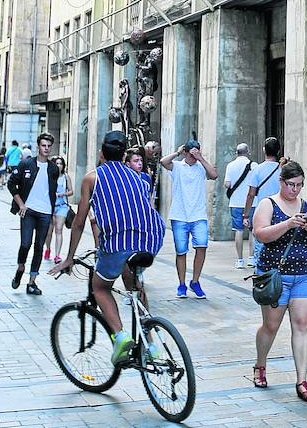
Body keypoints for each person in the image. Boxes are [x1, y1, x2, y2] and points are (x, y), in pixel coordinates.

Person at [50, 130, 165, 366]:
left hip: (118, 241)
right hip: (151, 238)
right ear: (124, 155)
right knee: (134, 284)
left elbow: (80, 221)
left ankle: (121, 336)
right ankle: (150, 342)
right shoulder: (137, 176)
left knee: (101, 287)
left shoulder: (93, 178)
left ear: (101, 153)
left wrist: (69, 258)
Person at [252, 160, 307, 402]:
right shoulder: (268, 204)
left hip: (305, 273)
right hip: (276, 275)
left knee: (302, 324)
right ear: (281, 182)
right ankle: (260, 365)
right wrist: (287, 223)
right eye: (291, 185)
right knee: (271, 326)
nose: (295, 190)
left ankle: (302, 381)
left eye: (299, 185)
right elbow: (260, 234)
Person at [160, 139, 218, 299]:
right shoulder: (177, 167)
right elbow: (163, 162)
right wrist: (178, 152)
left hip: (198, 215)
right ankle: (182, 284)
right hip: (179, 215)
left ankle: (195, 281)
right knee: (181, 252)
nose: (193, 156)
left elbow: (214, 175)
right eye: (191, 153)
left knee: (201, 247)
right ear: (186, 152)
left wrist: (201, 158)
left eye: (196, 152)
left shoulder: (201, 167)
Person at [7, 133, 58, 295]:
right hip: (28, 211)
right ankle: (20, 267)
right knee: (25, 244)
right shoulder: (26, 164)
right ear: (38, 147)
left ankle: (32, 282)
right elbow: (11, 183)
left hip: (45, 213)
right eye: (43, 145)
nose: (46, 148)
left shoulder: (53, 168)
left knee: (39, 247)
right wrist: (21, 204)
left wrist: (53, 212)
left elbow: (53, 191)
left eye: (49, 146)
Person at [242, 136, 282, 266]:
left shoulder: (257, 169)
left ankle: (261, 272)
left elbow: (251, 194)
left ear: (264, 150)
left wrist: (246, 214)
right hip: (280, 210)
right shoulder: (282, 170)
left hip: (262, 211)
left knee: (260, 242)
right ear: (278, 151)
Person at [224, 143, 257, 269]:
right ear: (248, 151)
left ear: (236, 152)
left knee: (238, 230)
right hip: (252, 203)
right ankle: (252, 258)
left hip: (236, 203)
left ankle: (239, 260)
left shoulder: (230, 165)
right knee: (252, 230)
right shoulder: (254, 166)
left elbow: (227, 184)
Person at [44, 156, 73, 263]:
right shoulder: (49, 176)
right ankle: (47, 249)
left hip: (62, 206)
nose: (59, 165)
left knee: (59, 229)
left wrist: (62, 194)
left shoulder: (65, 176)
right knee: (48, 232)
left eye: (61, 163)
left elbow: (71, 191)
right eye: (57, 163)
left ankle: (57, 255)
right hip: (50, 207)